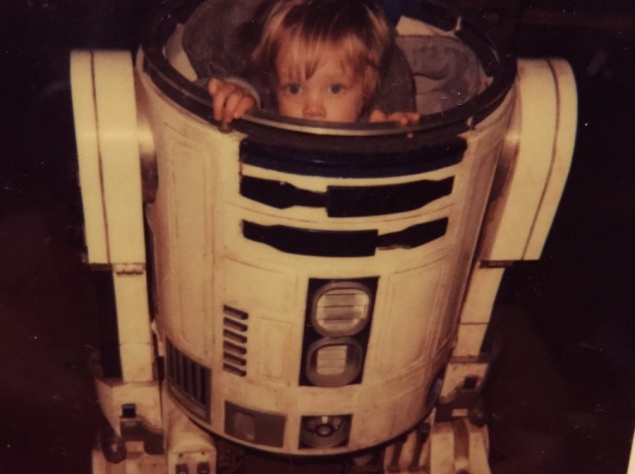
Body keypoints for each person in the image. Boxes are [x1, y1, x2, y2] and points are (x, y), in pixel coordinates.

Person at [197, 0, 419, 126]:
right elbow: (197, 97)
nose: (312, 110)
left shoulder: (375, 118)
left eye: (335, 88)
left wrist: (393, 137)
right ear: (274, 86)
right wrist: (234, 96)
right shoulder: (270, 111)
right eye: (294, 88)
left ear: (367, 89)